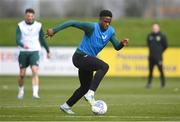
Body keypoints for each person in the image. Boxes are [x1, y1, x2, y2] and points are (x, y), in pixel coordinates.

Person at [46, 10, 128, 114]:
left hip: (87, 60)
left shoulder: (111, 31)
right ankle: (91, 94)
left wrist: (122, 44)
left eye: (109, 22)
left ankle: (66, 106)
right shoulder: (92, 27)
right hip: (80, 57)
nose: (107, 24)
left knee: (85, 87)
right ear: (100, 19)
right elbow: (72, 22)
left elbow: (116, 46)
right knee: (104, 66)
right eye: (105, 21)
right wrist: (54, 30)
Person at [16, 8, 50, 99]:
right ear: (25, 16)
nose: (30, 17)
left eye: (31, 16)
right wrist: (22, 44)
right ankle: (21, 91)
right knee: (22, 74)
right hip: (23, 52)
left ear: (33, 16)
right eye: (28, 16)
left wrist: (48, 51)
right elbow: (17, 39)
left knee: (35, 71)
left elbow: (42, 39)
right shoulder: (20, 25)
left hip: (35, 51)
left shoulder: (38, 25)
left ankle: (35, 93)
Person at [146, 24, 168, 88]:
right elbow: (148, 45)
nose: (154, 29)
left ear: (158, 28)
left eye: (156, 28)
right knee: (150, 71)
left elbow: (165, 46)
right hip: (151, 57)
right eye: (153, 28)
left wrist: (160, 51)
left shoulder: (162, 36)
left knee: (160, 70)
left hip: (158, 57)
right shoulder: (149, 36)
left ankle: (163, 84)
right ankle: (149, 84)